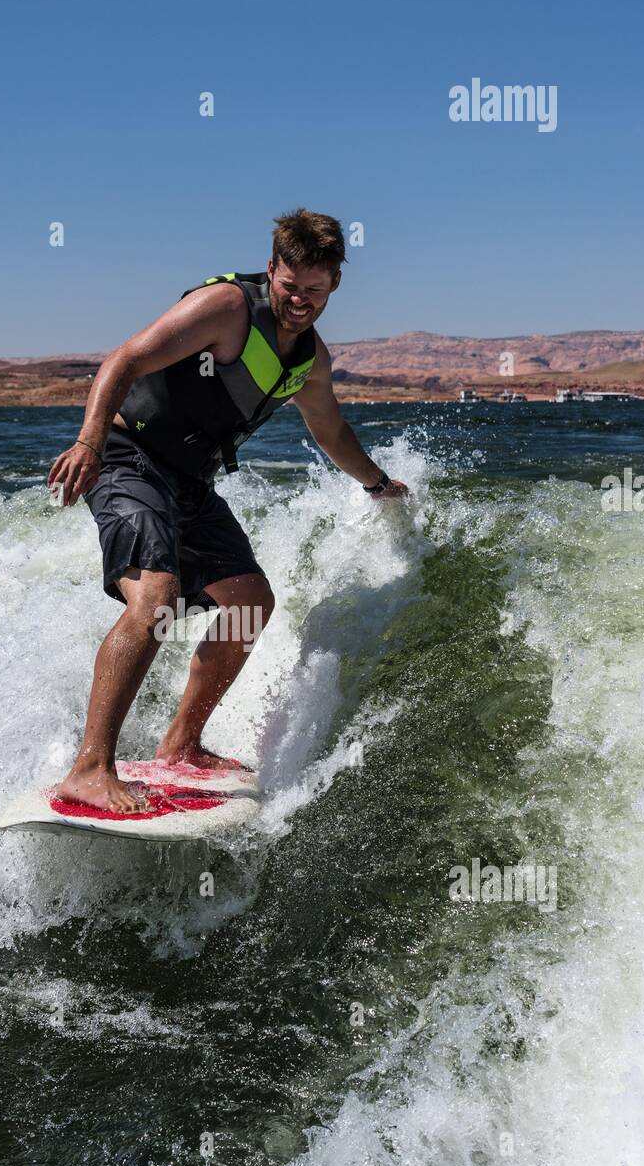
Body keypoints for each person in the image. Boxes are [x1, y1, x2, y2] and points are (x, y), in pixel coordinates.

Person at [47, 208, 409, 812]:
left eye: (314, 291)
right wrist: (87, 440)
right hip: (126, 455)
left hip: (189, 482)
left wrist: (377, 484)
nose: (299, 300)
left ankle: (181, 745)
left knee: (249, 601)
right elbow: (124, 359)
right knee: (155, 598)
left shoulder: (310, 361)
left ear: (335, 285)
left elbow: (332, 431)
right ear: (273, 270)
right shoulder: (227, 308)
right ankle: (89, 767)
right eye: (290, 286)